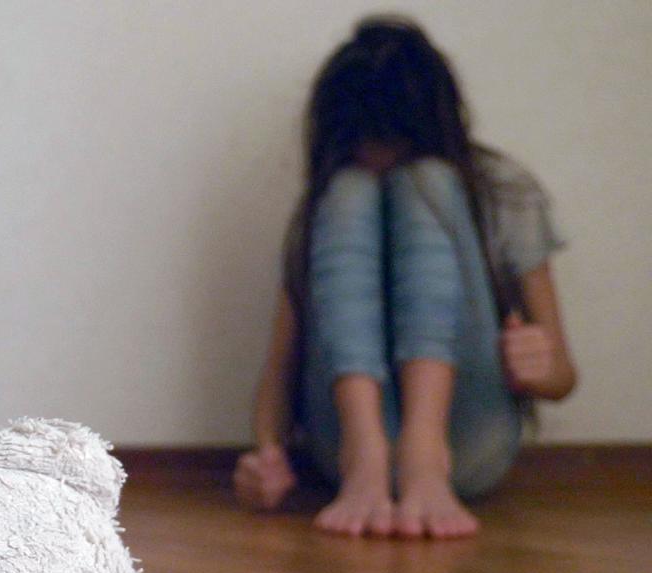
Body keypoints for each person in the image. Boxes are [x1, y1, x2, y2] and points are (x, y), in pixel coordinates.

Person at [234, 15, 577, 538]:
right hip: (343, 451)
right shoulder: (327, 204)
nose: (380, 155)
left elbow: (562, 376)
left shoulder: (501, 190)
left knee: (428, 185)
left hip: (466, 444)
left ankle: (424, 450)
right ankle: (366, 450)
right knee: (345, 193)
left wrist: (536, 363)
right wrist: (266, 457)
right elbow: (280, 369)